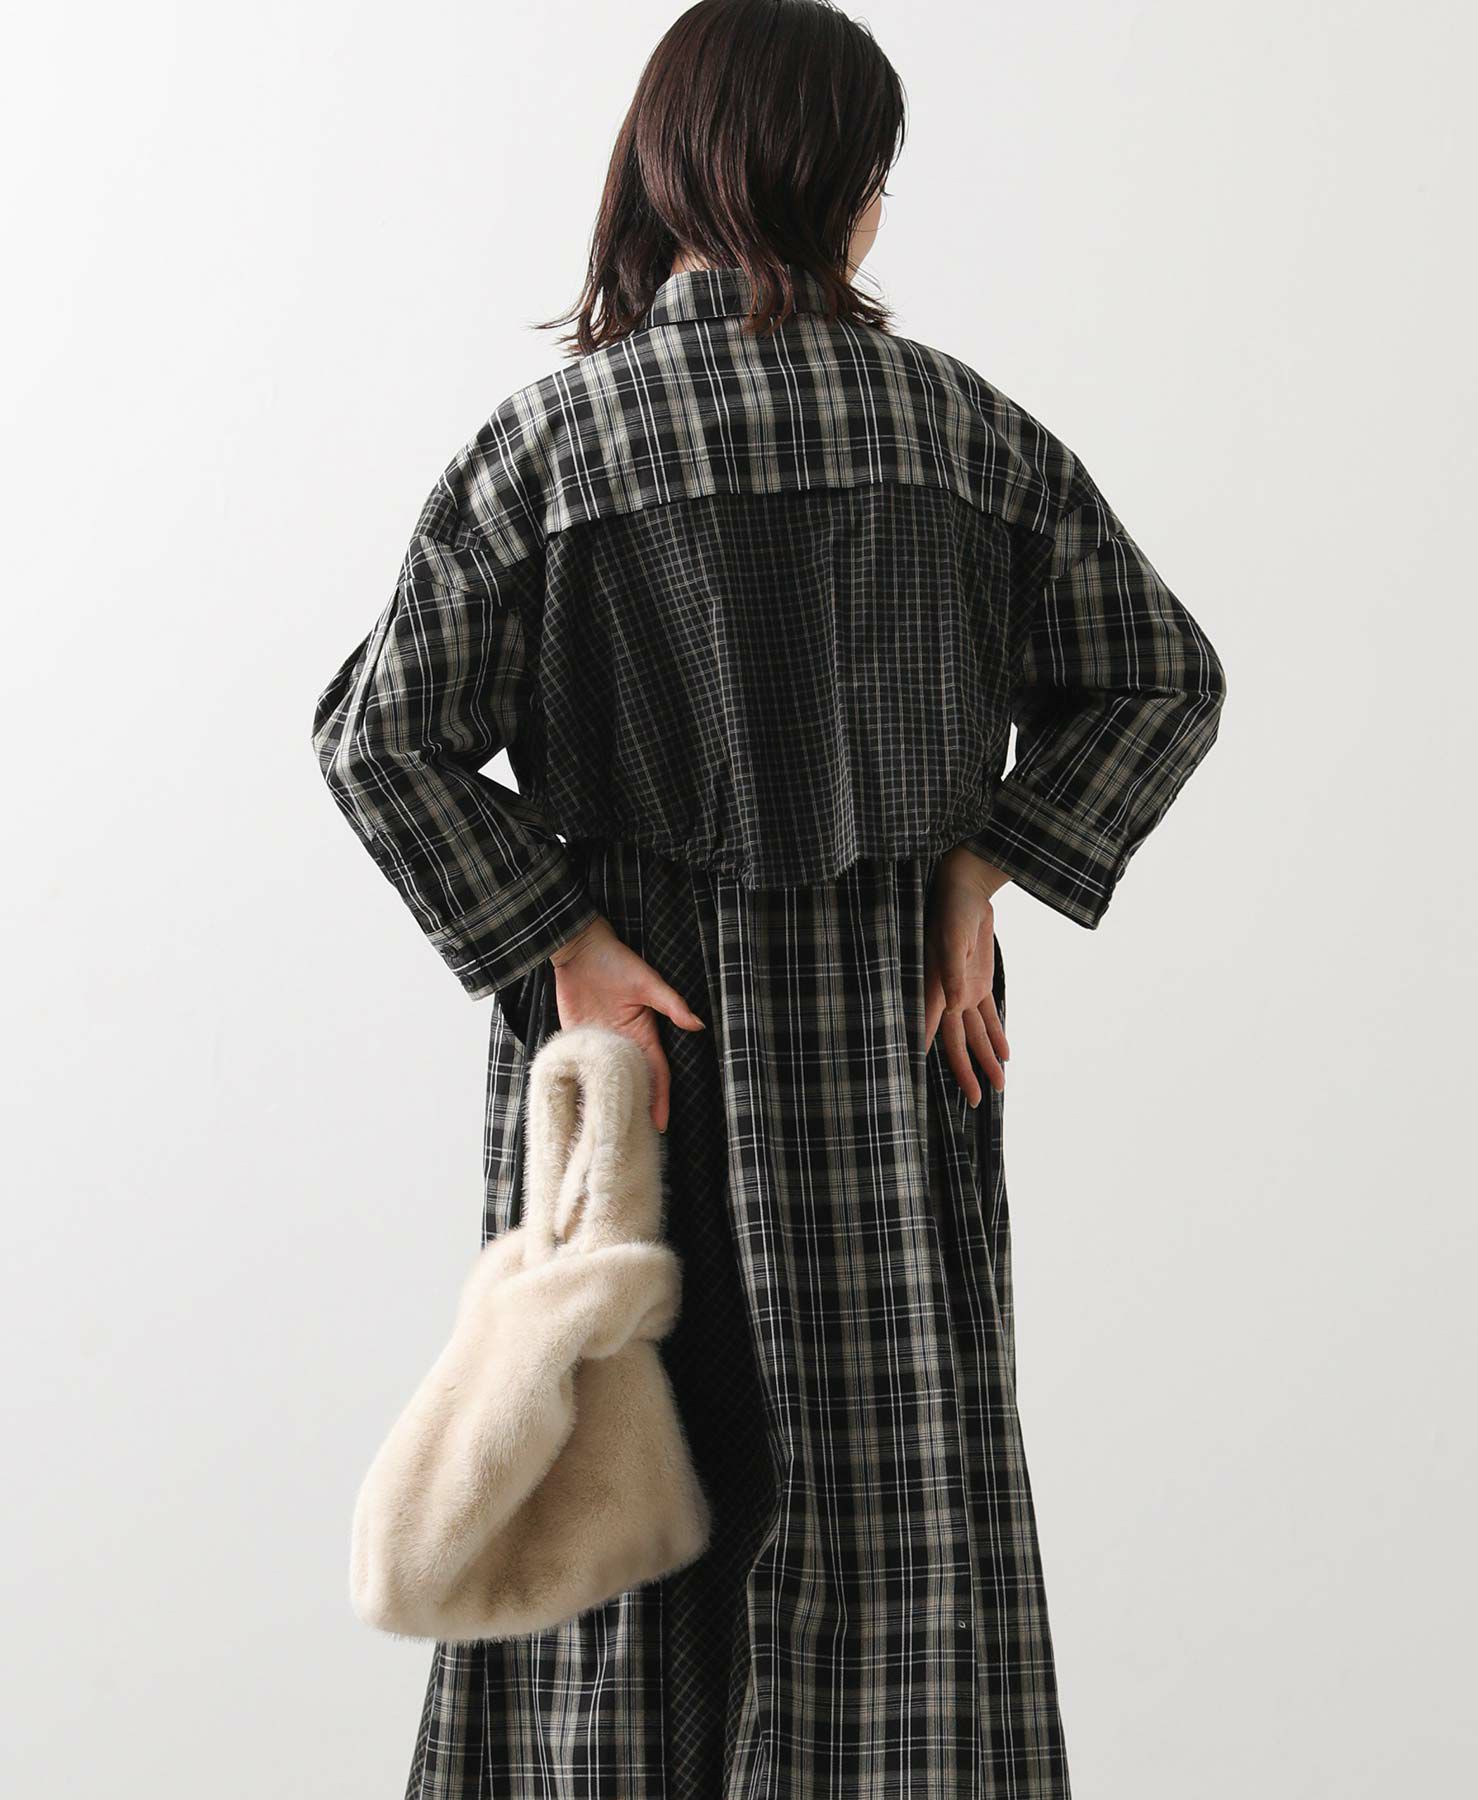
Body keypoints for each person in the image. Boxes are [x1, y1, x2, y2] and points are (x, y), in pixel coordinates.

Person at [310, 2, 1227, 1793]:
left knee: (602, 1502)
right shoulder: (962, 433)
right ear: (849, 190)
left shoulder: (548, 448)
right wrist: (984, 864)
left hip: (638, 1072)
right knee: (893, 1520)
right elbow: (1162, 678)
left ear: (666, 169)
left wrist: (562, 944)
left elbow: (375, 740)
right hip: (888, 1067)